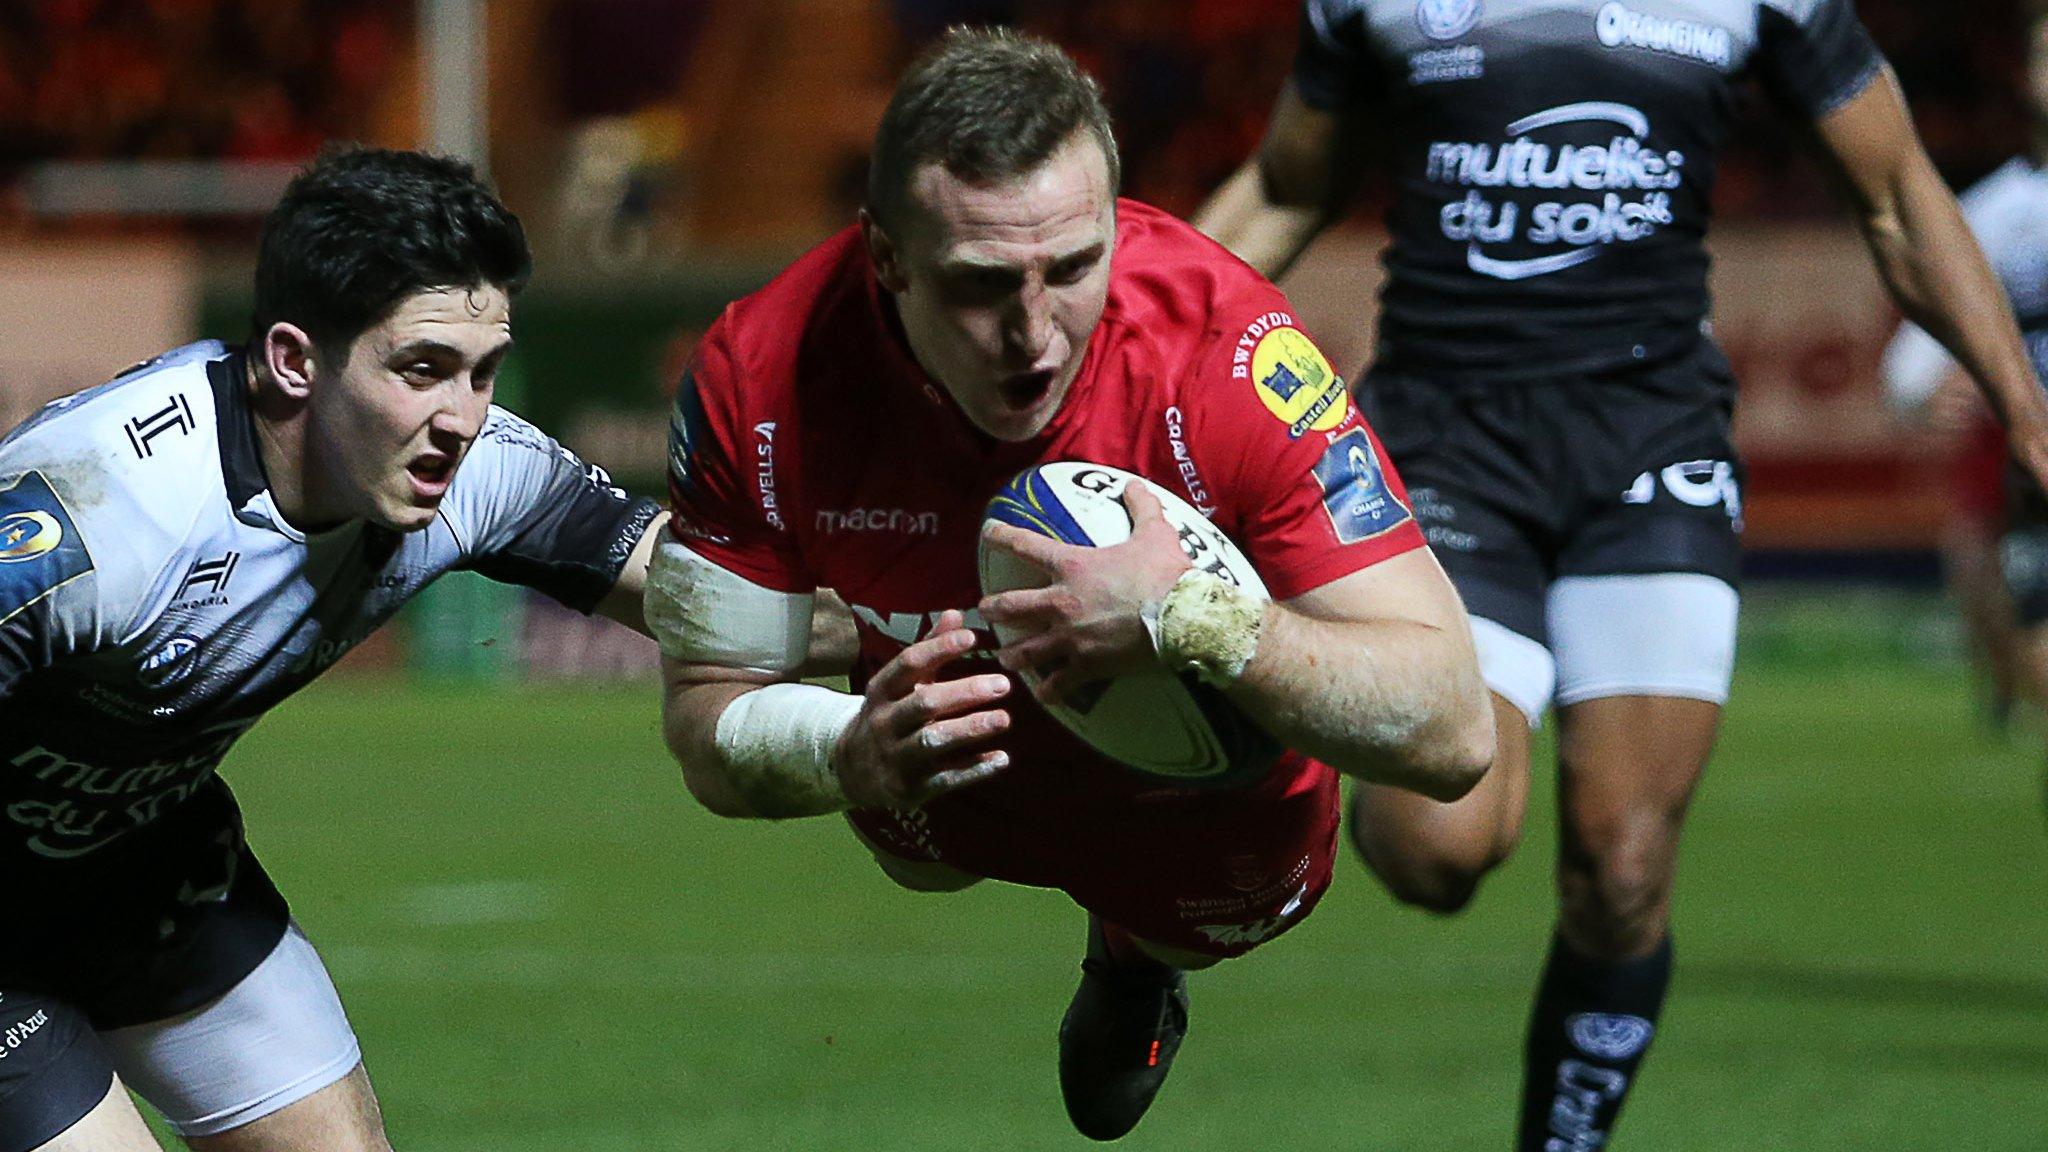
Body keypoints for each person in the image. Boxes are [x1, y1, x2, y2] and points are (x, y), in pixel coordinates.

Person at [1193, 2, 2048, 1148]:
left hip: (1651, 452)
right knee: (1435, 851)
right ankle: (1289, 725)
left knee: (1625, 868)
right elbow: (1288, 188)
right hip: (1447, 450)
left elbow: (1895, 197)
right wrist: (1127, 344)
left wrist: (2025, 415)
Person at [647, 26, 1493, 1143]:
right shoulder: (756, 376)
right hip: (941, 772)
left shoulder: (1229, 351)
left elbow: (1450, 731)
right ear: (887, 258)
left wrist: (1196, 615)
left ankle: (1135, 962)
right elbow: (706, 713)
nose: (1034, 336)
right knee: (924, 875)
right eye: (980, 285)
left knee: (1203, 925)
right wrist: (845, 752)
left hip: (1197, 794)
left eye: (1075, 267)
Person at [0, 147, 668, 1152]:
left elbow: (714, 600)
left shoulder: (476, 472)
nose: (462, 418)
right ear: (294, 361)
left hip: (147, 874)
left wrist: (939, 627)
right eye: (422, 369)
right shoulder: (105, 516)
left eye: (483, 373)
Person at [1884, 4, 2048, 779]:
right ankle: (2003, 688)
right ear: (2028, 76)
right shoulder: (1993, 214)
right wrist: (1926, 394)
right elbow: (1914, 361)